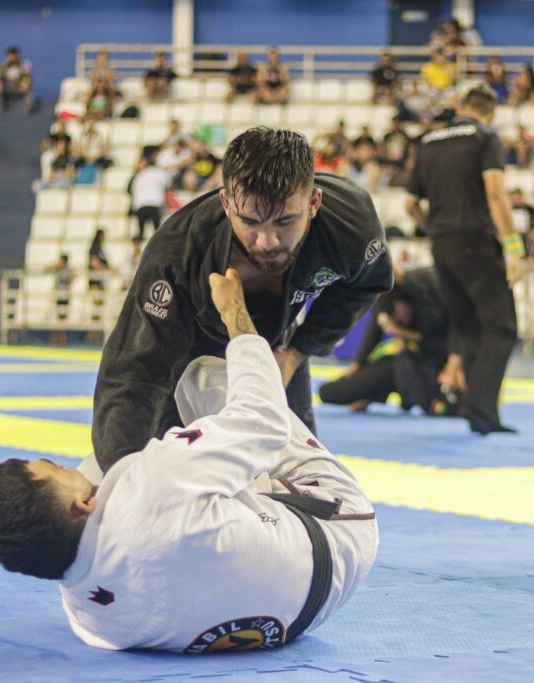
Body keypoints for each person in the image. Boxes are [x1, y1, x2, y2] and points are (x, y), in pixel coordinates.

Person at [0, 274, 378, 651]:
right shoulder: (157, 486)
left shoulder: (91, 621)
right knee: (204, 377)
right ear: (81, 505)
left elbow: (110, 485)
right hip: (341, 534)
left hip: (295, 619)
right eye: (57, 470)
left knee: (130, 474)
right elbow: (264, 422)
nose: (66, 467)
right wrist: (237, 319)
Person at [92, 127, 392, 471]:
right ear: (225, 203)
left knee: (300, 472)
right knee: (175, 470)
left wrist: (298, 351)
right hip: (187, 348)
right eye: (249, 221)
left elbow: (368, 283)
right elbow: (134, 372)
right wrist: (120, 477)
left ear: (313, 203)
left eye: (285, 221)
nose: (267, 241)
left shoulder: (349, 226)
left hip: (275, 345)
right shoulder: (177, 252)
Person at [405, 87, 521, 435]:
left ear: (460, 107)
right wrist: (514, 247)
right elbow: (496, 194)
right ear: (491, 113)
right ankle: (483, 414)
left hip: (441, 243)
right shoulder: (485, 137)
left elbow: (411, 205)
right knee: (501, 327)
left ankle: (471, 408)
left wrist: (436, 230)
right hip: (475, 240)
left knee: (467, 326)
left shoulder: (427, 142)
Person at [319, 266, 448, 414]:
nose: (400, 319)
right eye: (395, 318)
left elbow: (443, 344)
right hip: (400, 368)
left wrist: (402, 332)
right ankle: (374, 393)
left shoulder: (429, 299)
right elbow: (374, 332)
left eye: (400, 312)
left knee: (406, 366)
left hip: (432, 370)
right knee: (329, 392)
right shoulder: (385, 304)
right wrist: (357, 365)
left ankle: (422, 400)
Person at [127, 154, 171, 246]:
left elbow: (132, 189)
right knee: (157, 230)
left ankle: (139, 244)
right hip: (155, 202)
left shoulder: (139, 175)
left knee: (141, 230)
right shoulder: (160, 173)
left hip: (141, 204)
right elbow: (168, 185)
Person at [0, 47, 34, 112]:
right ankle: (0, 106)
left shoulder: (24, 64)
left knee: (29, 87)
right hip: (8, 85)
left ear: (17, 56)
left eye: (14, 56)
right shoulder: (4, 65)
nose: (12, 58)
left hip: (19, 86)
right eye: (10, 56)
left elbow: (27, 76)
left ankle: (28, 107)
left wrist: (25, 83)